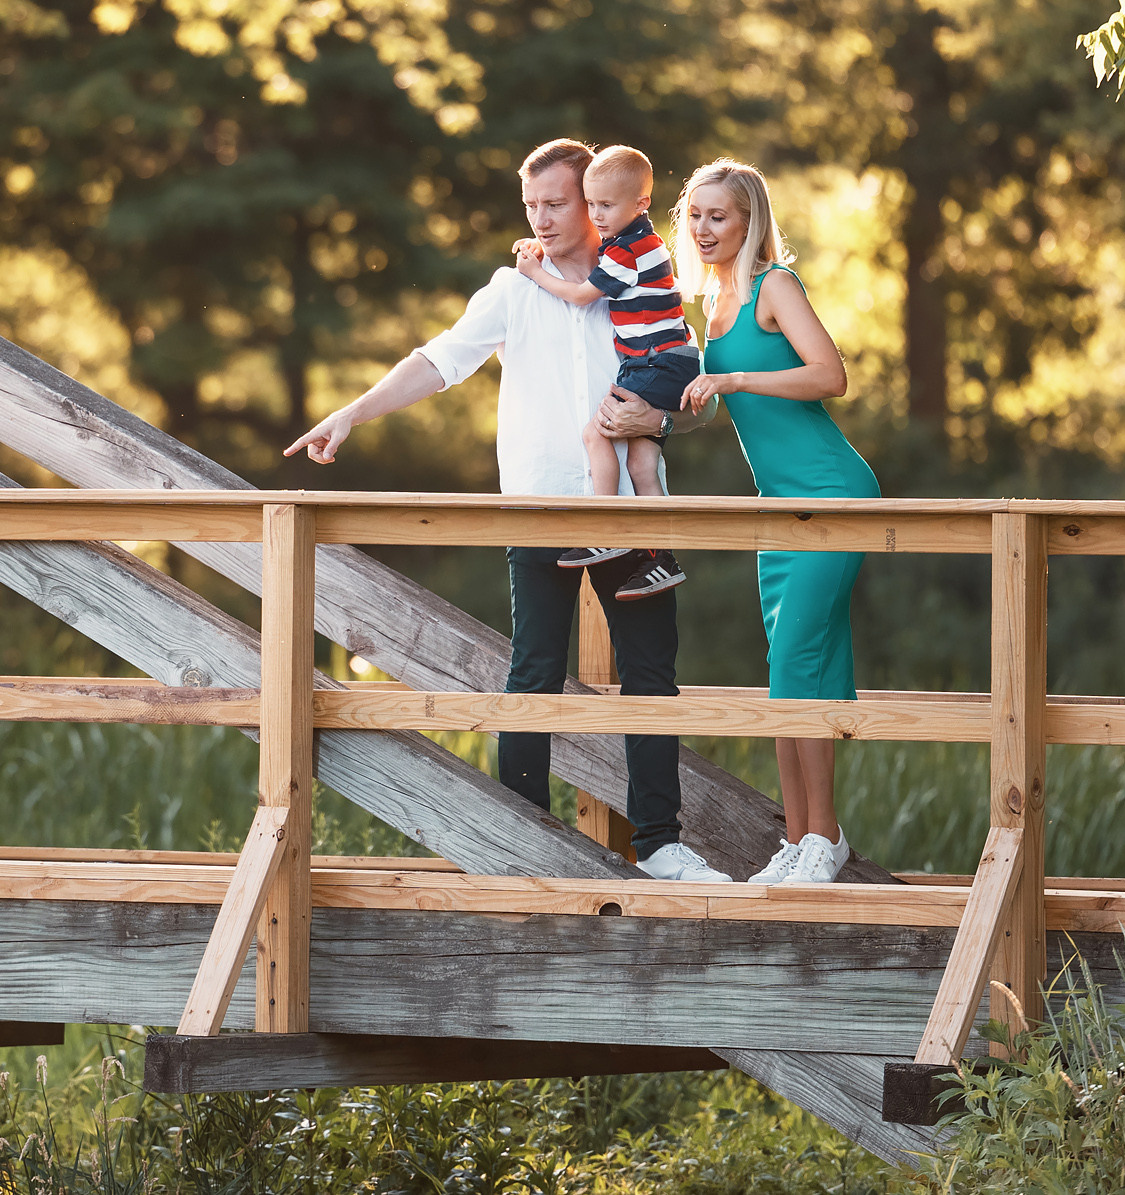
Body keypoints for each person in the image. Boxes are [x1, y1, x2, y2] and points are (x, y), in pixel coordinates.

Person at [283, 137, 732, 884]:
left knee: (652, 674)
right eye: (532, 206)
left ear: (594, 203)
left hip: (625, 510)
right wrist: (352, 414)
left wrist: (654, 423)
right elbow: (439, 360)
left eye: (556, 203)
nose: (543, 218)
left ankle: (659, 844)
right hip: (537, 506)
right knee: (535, 670)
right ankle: (522, 838)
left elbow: (695, 393)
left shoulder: (645, 278)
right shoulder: (512, 288)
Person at [677, 158, 878, 886]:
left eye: (718, 216)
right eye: (695, 215)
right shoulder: (715, 307)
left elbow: (830, 375)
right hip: (777, 508)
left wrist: (733, 377)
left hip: (832, 490)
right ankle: (800, 841)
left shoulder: (773, 287)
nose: (703, 228)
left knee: (799, 659)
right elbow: (710, 409)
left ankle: (825, 838)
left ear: (748, 219)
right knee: (793, 669)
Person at [510, 144, 698, 600]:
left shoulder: (627, 251)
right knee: (641, 463)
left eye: (604, 205)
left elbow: (579, 295)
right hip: (670, 361)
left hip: (654, 362)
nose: (597, 215)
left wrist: (535, 272)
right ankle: (662, 556)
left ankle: (605, 526)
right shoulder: (641, 243)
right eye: (591, 204)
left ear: (640, 204)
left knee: (595, 435)